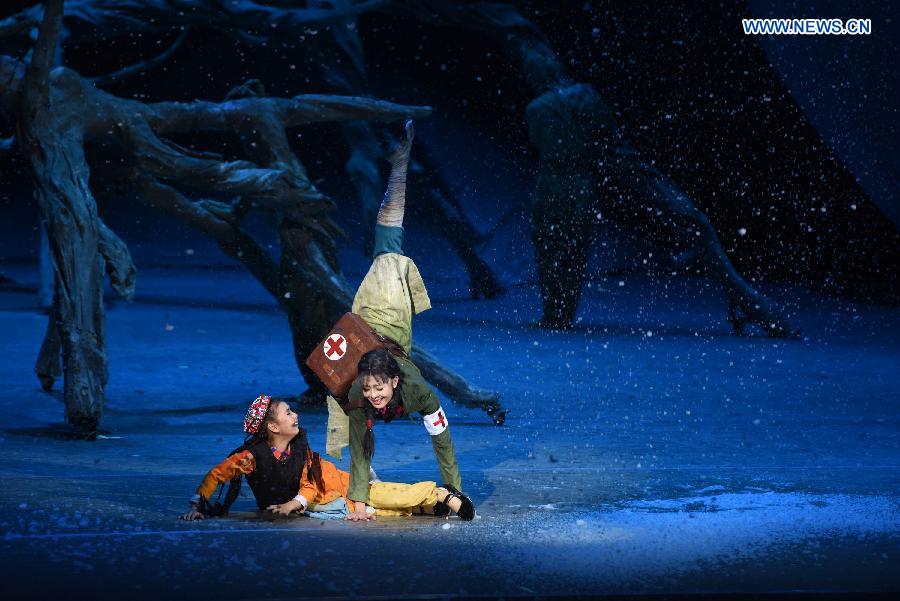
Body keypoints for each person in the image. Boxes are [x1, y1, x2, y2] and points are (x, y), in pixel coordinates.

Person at [329, 120, 472, 522]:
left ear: (394, 382)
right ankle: (399, 164)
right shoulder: (360, 390)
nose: (374, 395)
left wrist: (454, 488)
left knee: (388, 247)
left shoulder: (419, 393)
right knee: (386, 245)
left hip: (387, 308)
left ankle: (400, 164)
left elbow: (442, 438)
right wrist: (358, 500)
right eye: (370, 388)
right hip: (372, 313)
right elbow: (360, 444)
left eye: (379, 388)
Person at [180, 394, 474, 521]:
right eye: (288, 413)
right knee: (380, 512)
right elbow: (217, 474)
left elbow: (309, 485)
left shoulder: (300, 449)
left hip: (336, 484)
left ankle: (441, 494)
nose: (295, 415)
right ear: (273, 427)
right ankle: (429, 507)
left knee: (381, 495)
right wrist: (197, 505)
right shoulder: (251, 457)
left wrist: (291, 505)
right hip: (322, 503)